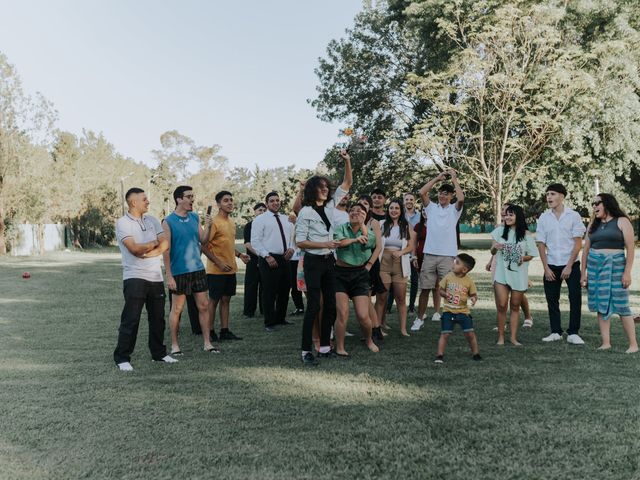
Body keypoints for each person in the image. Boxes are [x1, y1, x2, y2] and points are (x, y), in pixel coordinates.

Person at [295, 149, 352, 366]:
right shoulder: (305, 212)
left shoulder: (330, 206)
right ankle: (305, 351)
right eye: (322, 187)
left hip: (330, 261)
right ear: (313, 190)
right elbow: (300, 242)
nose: (326, 190)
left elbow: (347, 183)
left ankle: (325, 347)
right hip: (313, 262)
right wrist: (325, 244)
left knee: (330, 305)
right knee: (313, 307)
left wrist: (347, 161)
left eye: (327, 187)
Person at [113, 187, 177, 371]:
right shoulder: (123, 223)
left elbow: (165, 243)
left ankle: (159, 354)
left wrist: (151, 252)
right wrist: (153, 243)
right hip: (134, 276)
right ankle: (122, 358)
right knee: (131, 319)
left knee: (158, 318)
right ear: (133, 202)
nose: (148, 201)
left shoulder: (152, 220)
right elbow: (133, 248)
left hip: (155, 277)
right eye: (144, 199)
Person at [162, 185, 218, 355]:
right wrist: (169, 275)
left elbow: (203, 240)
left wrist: (208, 226)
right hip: (179, 272)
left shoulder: (194, 218)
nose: (192, 199)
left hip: (198, 270)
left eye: (193, 196)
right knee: (177, 310)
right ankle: (174, 345)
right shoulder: (168, 221)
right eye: (188, 196)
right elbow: (166, 250)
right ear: (179, 199)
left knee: (203, 306)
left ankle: (207, 343)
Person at [581, 193, 638, 353]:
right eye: (593, 203)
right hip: (595, 268)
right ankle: (606, 342)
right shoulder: (594, 224)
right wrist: (583, 273)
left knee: (622, 304)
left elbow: (631, 249)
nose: (594, 206)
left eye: (597, 203)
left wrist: (627, 272)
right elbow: (585, 250)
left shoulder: (622, 221)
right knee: (601, 304)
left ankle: (633, 345)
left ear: (607, 204)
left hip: (616, 266)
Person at [536, 184, 586, 345]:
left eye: (552, 194)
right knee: (552, 299)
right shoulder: (544, 218)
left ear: (562, 196)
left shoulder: (573, 216)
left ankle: (573, 333)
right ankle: (556, 331)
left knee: (575, 297)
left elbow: (578, 243)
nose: (549, 197)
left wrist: (569, 266)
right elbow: (541, 244)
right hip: (551, 265)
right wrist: (546, 268)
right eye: (547, 194)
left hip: (571, 264)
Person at [416, 170, 464, 328]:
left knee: (449, 289)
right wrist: (437, 178)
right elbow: (422, 192)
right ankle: (420, 318)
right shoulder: (431, 208)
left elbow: (461, 198)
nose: (442, 196)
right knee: (425, 288)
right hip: (429, 254)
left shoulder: (454, 210)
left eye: (446, 194)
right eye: (441, 193)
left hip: (447, 256)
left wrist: (454, 179)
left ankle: (449, 317)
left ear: (451, 196)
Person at [202, 191, 250, 341]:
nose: (230, 203)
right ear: (218, 204)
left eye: (231, 200)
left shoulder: (231, 222)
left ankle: (225, 330)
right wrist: (219, 263)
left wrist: (240, 255)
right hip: (216, 271)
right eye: (225, 201)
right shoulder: (214, 222)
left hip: (230, 269)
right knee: (213, 301)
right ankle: (209, 332)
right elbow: (203, 246)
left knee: (226, 300)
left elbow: (227, 245)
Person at [333, 202, 380, 356]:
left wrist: (361, 226)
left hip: (360, 275)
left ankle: (369, 340)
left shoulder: (369, 231)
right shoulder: (341, 228)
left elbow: (369, 242)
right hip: (340, 274)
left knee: (363, 315)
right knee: (343, 313)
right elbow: (339, 243)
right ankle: (339, 347)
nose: (354, 213)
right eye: (352, 210)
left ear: (364, 215)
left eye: (359, 211)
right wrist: (354, 239)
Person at [490, 204, 538, 346]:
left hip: (519, 274)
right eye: (506, 215)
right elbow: (492, 252)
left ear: (518, 217)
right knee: (502, 304)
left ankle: (513, 338)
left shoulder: (526, 235)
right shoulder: (498, 232)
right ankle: (501, 337)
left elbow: (531, 255)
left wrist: (521, 258)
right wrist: (494, 247)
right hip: (501, 273)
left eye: (511, 215)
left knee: (515, 306)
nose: (508, 217)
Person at [251, 191, 295, 331]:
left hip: (285, 258)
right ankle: (269, 322)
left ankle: (281, 318)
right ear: (267, 203)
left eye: (277, 200)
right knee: (269, 291)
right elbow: (255, 241)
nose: (275, 203)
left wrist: (292, 249)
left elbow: (293, 237)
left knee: (284, 289)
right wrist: (266, 256)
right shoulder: (260, 219)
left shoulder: (286, 219)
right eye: (272, 201)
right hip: (268, 258)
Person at [375, 198, 416, 337]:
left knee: (400, 298)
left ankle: (403, 329)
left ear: (401, 210)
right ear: (388, 210)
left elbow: (411, 246)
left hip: (400, 265)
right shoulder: (381, 224)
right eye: (391, 208)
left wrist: (401, 252)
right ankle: (378, 327)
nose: (394, 211)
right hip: (383, 264)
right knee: (382, 297)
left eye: (397, 208)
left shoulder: (406, 226)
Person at [434, 254, 481, 364]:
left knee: (470, 334)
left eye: (457, 263)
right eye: (455, 261)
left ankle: (476, 353)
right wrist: (445, 295)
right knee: (445, 334)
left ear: (464, 270)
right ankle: (439, 355)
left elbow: (473, 294)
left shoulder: (469, 282)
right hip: (448, 311)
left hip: (463, 312)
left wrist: (473, 299)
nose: (454, 264)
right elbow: (440, 290)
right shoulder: (448, 277)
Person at [357, 194, 385, 344]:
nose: (363, 207)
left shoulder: (373, 222)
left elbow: (379, 246)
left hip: (370, 264)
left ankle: (375, 329)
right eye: (360, 204)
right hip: (357, 264)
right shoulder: (354, 221)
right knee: (364, 298)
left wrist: (369, 265)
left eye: (366, 204)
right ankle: (374, 330)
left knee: (366, 298)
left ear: (370, 207)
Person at [410, 209, 441, 331]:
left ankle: (437, 312)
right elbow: (414, 242)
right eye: (423, 210)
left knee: (437, 285)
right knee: (425, 286)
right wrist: (414, 256)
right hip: (421, 257)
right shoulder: (418, 226)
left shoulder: (438, 225)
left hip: (436, 256)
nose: (425, 212)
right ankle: (421, 315)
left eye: (427, 210)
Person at [243, 202, 266, 317]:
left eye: (263, 210)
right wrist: (261, 254)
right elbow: (247, 244)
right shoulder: (249, 226)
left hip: (265, 260)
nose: (262, 212)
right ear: (255, 212)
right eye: (259, 210)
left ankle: (264, 310)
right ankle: (249, 311)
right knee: (251, 285)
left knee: (265, 286)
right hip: (253, 260)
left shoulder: (268, 225)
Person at [404, 193, 421, 314]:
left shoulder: (420, 216)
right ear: (403, 201)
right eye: (407, 199)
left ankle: (411, 306)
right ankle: (389, 306)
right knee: (399, 281)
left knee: (415, 281)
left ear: (414, 201)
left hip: (415, 252)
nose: (409, 201)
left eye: (411, 199)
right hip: (402, 252)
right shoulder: (399, 215)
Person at [287, 213, 305, 316]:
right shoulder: (289, 227)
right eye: (290, 218)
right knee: (294, 285)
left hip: (303, 258)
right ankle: (299, 307)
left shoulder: (302, 226)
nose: (291, 219)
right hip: (293, 260)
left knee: (306, 284)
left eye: (294, 217)